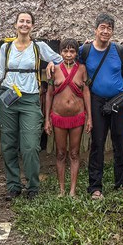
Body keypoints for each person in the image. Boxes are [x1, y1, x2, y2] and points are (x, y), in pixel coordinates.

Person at [0, 11, 62, 199]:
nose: (24, 24)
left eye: (28, 21)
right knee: (8, 144)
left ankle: (32, 186)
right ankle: (13, 185)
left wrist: (50, 65)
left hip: (30, 98)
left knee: (30, 145)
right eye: (21, 21)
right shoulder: (5, 48)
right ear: (15, 25)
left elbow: (60, 59)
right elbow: (1, 74)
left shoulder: (39, 47)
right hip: (8, 96)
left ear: (32, 26)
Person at [78, 13, 123, 199]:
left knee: (120, 143)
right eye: (102, 27)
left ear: (112, 32)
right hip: (97, 102)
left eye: (109, 28)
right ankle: (95, 186)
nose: (105, 31)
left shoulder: (118, 50)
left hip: (118, 101)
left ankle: (121, 183)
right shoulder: (84, 51)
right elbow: (72, 65)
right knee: (98, 143)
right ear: (95, 30)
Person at [44, 38, 92, 197]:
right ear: (60, 52)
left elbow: (86, 93)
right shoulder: (54, 69)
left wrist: (89, 118)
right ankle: (62, 189)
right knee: (60, 153)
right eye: (65, 51)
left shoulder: (82, 69)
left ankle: (72, 190)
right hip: (58, 117)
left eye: (72, 51)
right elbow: (49, 95)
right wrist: (47, 119)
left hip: (77, 117)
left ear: (76, 53)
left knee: (74, 153)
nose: (69, 54)